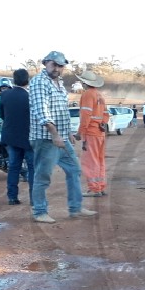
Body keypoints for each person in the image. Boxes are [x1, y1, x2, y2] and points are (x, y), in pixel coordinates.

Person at [28, 51, 97, 223]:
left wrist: (67, 133)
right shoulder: (39, 82)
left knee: (74, 170)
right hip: (46, 138)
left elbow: (62, 112)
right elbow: (41, 112)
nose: (57, 68)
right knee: (43, 176)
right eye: (54, 64)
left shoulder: (58, 83)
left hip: (61, 137)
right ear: (45, 63)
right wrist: (55, 134)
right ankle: (39, 212)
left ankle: (76, 207)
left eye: (61, 65)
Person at [0, 68, 35, 206]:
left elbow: (3, 115)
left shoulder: (5, 95)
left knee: (14, 167)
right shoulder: (30, 96)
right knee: (32, 168)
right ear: (27, 80)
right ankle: (34, 198)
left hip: (10, 136)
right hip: (28, 137)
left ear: (14, 80)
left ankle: (12, 197)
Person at [76, 70, 109, 198]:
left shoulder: (87, 95)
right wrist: (103, 123)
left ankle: (95, 189)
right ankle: (100, 186)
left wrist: (80, 132)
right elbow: (106, 114)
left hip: (91, 132)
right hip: (100, 133)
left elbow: (86, 115)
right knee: (100, 160)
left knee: (90, 161)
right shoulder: (99, 95)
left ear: (84, 82)